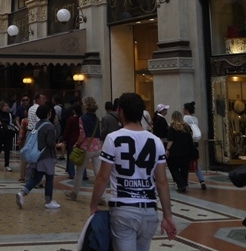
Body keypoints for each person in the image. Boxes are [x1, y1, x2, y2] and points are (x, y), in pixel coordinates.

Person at [89, 92, 176, 251]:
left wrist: (93, 204)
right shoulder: (156, 141)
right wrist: (168, 215)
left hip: (124, 208)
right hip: (149, 209)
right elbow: (162, 181)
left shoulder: (113, 138)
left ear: (121, 112)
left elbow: (103, 176)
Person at [16, 103, 60, 209]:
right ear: (49, 114)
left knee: (36, 178)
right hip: (47, 156)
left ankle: (22, 193)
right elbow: (50, 142)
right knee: (49, 178)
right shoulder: (49, 126)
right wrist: (58, 145)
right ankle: (48, 201)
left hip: (38, 155)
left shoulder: (38, 124)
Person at [65, 96, 102, 202]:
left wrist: (77, 144)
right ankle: (101, 196)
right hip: (97, 147)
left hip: (86, 147)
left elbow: (82, 134)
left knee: (79, 171)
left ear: (85, 106)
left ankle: (74, 193)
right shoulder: (97, 118)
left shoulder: (82, 118)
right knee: (98, 172)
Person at [166, 110, 195, 193]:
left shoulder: (172, 128)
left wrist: (167, 149)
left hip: (175, 151)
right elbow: (191, 138)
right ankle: (184, 183)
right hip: (186, 151)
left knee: (173, 168)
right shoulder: (187, 127)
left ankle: (180, 183)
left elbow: (170, 140)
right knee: (184, 168)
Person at [182, 101, 206, 190]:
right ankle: (201, 180)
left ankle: (184, 182)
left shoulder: (185, 118)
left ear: (186, 109)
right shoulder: (195, 119)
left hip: (187, 142)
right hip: (195, 142)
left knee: (185, 162)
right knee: (195, 162)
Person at [0, 101, 16, 171]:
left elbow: (10, 123)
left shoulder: (9, 115)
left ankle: (7, 165)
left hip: (7, 134)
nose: (6, 107)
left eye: (7, 106)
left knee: (7, 150)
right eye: (5, 106)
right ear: (1, 107)